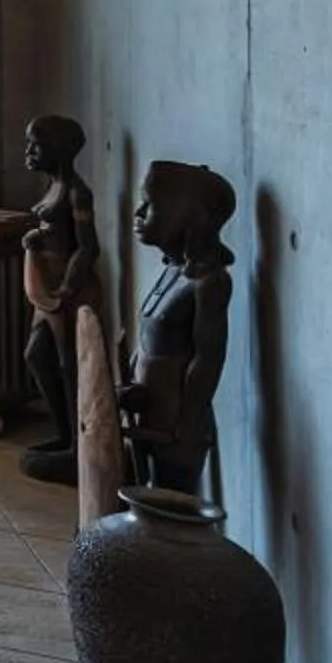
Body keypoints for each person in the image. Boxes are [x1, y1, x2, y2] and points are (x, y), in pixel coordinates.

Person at [119, 159, 234, 497]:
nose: (139, 213)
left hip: (175, 426)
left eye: (151, 205)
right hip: (149, 413)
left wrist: (184, 426)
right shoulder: (172, 271)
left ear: (188, 217)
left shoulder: (210, 283)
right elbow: (150, 340)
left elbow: (208, 359)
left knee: (170, 511)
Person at [16, 115, 101, 486]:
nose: (29, 151)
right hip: (45, 286)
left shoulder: (77, 192)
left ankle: (77, 444)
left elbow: (88, 247)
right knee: (37, 355)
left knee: (70, 366)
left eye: (36, 144)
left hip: (66, 287)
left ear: (59, 148)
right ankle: (66, 433)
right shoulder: (54, 187)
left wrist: (67, 287)